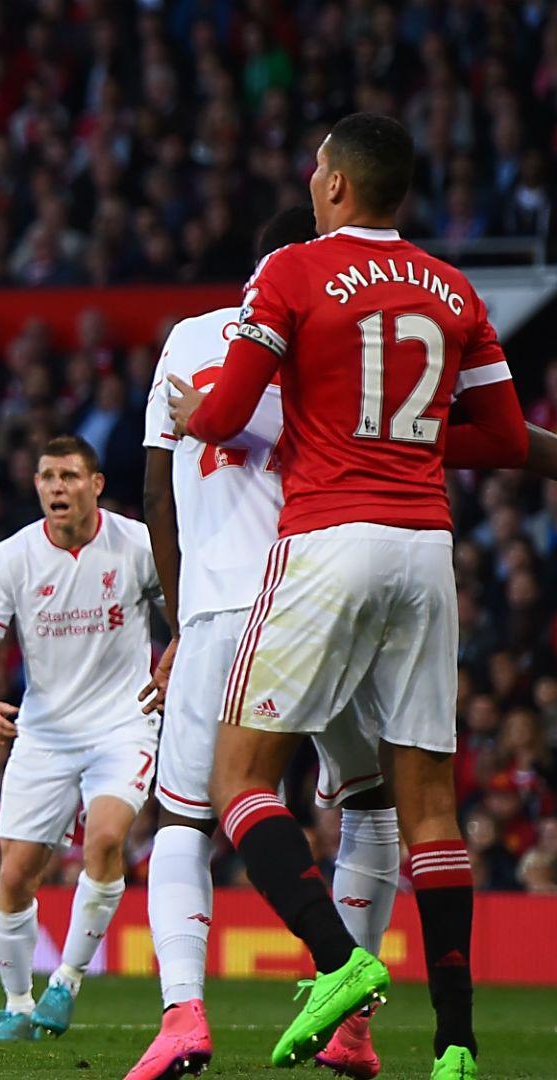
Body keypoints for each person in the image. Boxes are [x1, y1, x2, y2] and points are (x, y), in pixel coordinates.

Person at [169, 112, 528, 1078]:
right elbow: (501, 437)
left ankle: (337, 962)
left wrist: (191, 413)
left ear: (333, 184)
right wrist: (402, 440)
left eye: (315, 164)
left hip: (330, 534)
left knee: (237, 779)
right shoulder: (456, 289)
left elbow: (230, 411)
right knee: (431, 811)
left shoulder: (290, 268)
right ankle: (455, 1046)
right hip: (425, 546)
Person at [128, 208, 401, 1080]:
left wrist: (176, 620)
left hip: (219, 605)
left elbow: (158, 497)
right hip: (329, 592)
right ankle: (351, 1031)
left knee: (184, 817)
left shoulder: (186, 340)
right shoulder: (345, 344)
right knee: (370, 803)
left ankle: (184, 1019)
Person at [0, 434, 163, 1042]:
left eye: (69, 476)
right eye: (47, 477)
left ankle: (66, 982)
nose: (56, 488)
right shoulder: (13, 557)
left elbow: (185, 608)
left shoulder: (138, 545)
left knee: (104, 840)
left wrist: (173, 653)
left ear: (95, 485)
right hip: (44, 733)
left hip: (123, 723)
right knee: (17, 876)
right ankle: (17, 1006)